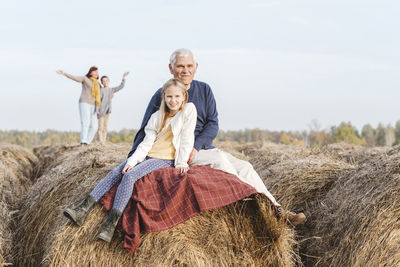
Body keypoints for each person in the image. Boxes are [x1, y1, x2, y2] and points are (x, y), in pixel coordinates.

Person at [128, 48, 306, 226]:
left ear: (196, 67)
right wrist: (132, 161)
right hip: (178, 150)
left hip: (201, 148)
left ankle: (277, 210)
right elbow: (146, 129)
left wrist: (196, 146)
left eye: (189, 66)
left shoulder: (205, 90)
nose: (185, 70)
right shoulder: (164, 95)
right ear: (171, 68)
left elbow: (212, 124)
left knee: (245, 167)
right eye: (180, 66)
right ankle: (253, 211)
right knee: (221, 161)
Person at [63, 78, 197, 242]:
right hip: (148, 154)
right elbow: (145, 144)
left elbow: (187, 138)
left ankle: (110, 225)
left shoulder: (188, 110)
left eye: (177, 96)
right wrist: (132, 162)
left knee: (129, 176)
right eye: (169, 97)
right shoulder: (157, 116)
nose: (173, 100)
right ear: (164, 97)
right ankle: (82, 209)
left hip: (165, 159)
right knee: (115, 173)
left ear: (184, 97)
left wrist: (182, 162)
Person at [56, 67, 101, 145]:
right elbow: (74, 78)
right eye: (95, 72)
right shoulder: (85, 79)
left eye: (97, 72)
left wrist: (110, 94)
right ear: (90, 73)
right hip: (84, 103)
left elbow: (102, 93)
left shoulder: (97, 84)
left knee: (94, 126)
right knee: (85, 122)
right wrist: (64, 73)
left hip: (94, 106)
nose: (97, 73)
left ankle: (88, 142)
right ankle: (83, 141)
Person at [98, 72, 130, 144]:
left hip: (108, 111)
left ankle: (104, 141)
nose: (105, 82)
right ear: (102, 83)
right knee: (100, 127)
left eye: (106, 80)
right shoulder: (100, 90)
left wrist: (123, 78)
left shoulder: (111, 90)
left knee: (105, 127)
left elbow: (121, 87)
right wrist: (97, 109)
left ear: (109, 81)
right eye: (103, 81)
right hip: (100, 111)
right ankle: (101, 142)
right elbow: (97, 100)